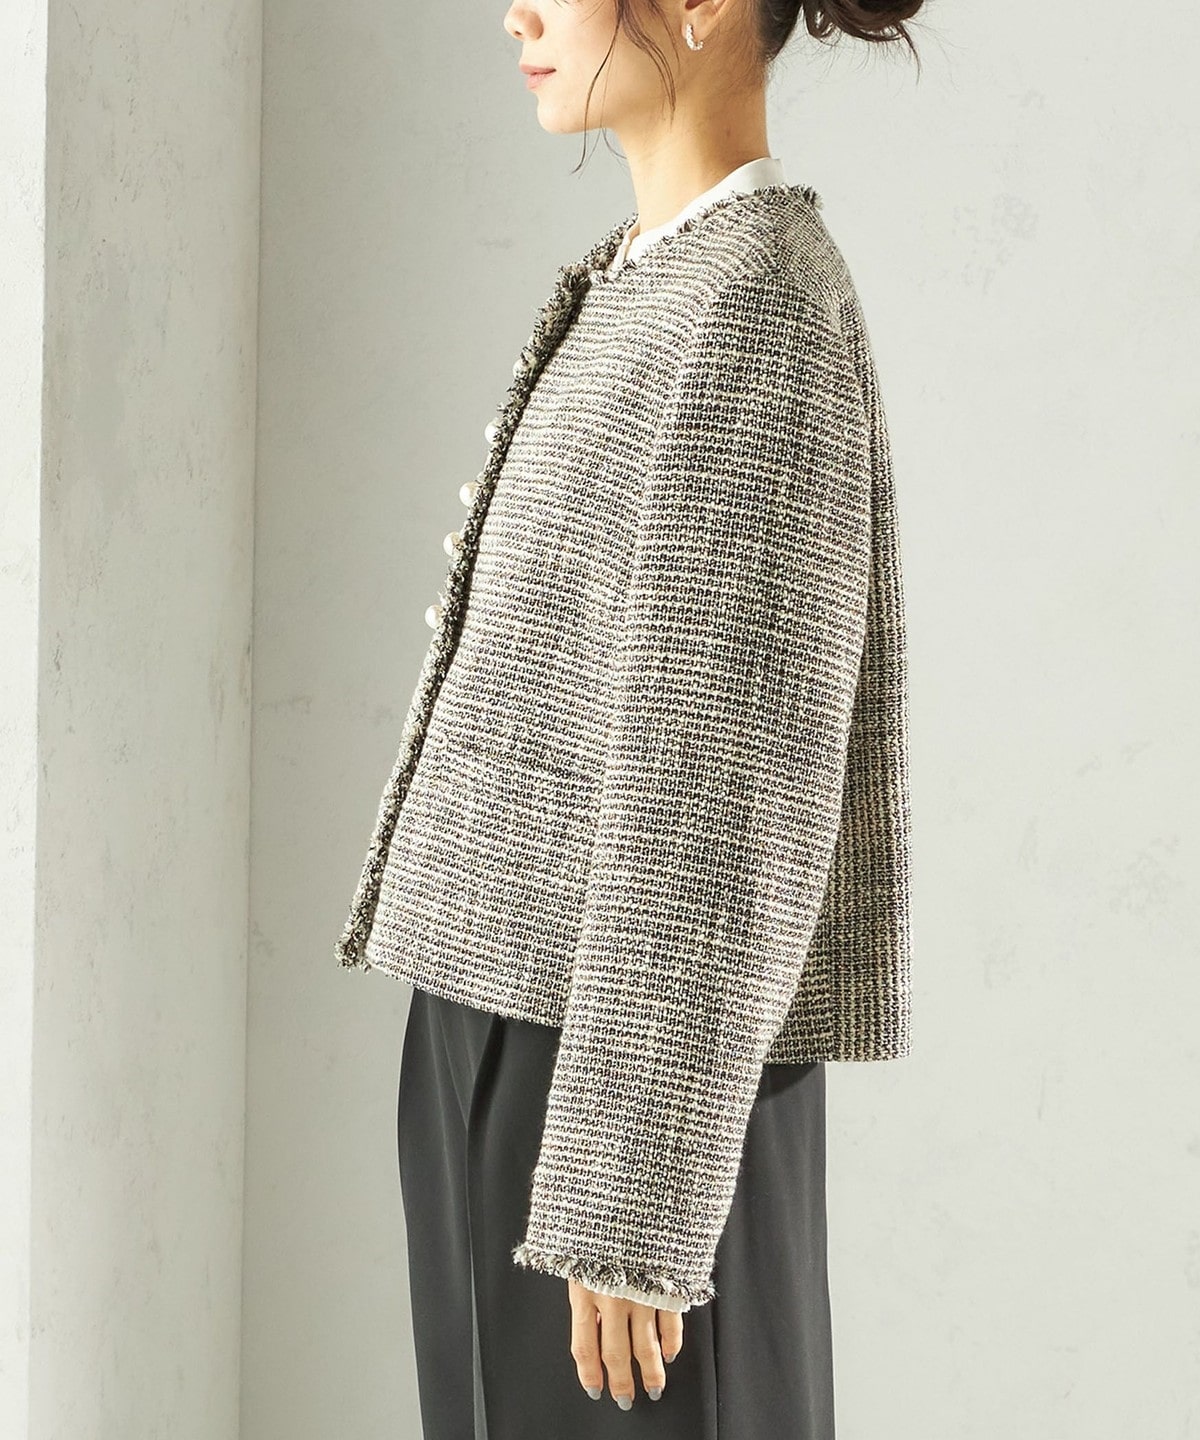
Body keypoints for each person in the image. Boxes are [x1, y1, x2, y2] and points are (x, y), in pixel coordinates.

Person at [335, 0, 923, 1433]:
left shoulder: (760, 304)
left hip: (613, 1076)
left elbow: (726, 781)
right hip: (505, 1028)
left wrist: (636, 1188)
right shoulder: (649, 278)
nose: (518, 12)